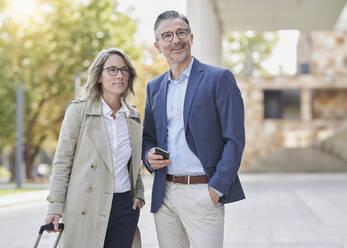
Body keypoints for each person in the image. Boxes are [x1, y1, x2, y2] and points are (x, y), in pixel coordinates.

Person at [142, 11, 246, 248]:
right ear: (158, 46)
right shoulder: (154, 87)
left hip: (203, 192)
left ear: (191, 37)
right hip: (165, 194)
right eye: (167, 36)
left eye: (181, 33)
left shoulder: (219, 78)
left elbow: (235, 138)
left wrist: (218, 186)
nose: (175, 40)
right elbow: (148, 137)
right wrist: (148, 156)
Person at [45, 48, 144, 248]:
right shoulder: (79, 111)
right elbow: (63, 161)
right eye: (112, 70)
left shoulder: (133, 116)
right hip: (86, 204)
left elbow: (134, 163)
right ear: (99, 76)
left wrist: (139, 193)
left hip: (124, 207)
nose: (120, 75)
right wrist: (55, 206)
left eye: (124, 70)